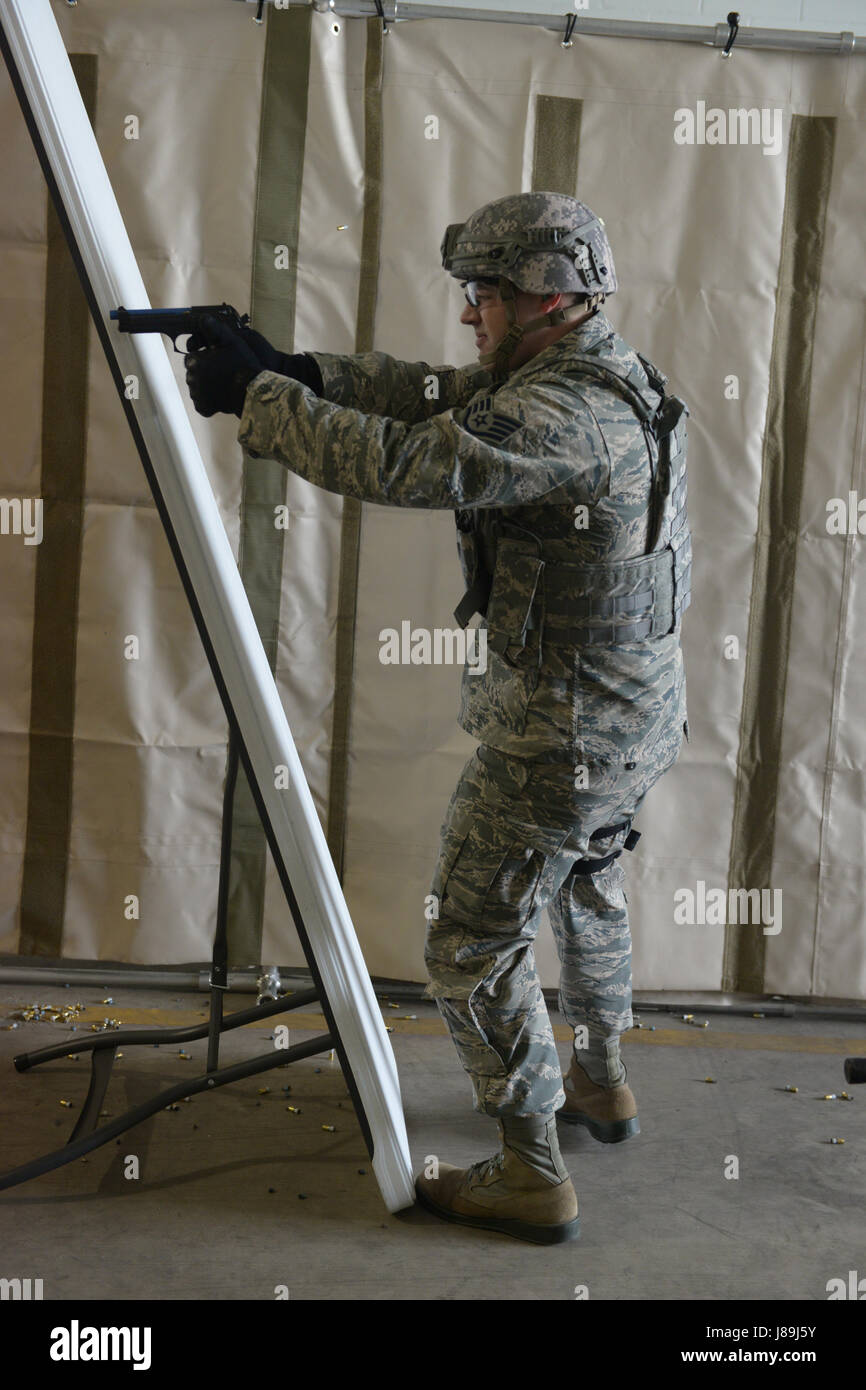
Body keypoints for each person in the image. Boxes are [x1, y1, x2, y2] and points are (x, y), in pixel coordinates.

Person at [184, 192, 691, 1246]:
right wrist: (301, 370)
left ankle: (529, 1171)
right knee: (586, 882)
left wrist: (257, 402)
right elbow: (431, 396)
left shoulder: (563, 411)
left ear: (546, 297)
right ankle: (597, 1085)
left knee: (469, 935)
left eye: (486, 294)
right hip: (621, 716)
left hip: (563, 731)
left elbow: (423, 460)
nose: (470, 316)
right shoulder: (588, 373)